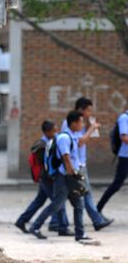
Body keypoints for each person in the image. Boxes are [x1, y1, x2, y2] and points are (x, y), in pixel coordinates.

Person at [29, 111, 91, 241]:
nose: (82, 124)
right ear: (73, 123)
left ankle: (80, 234)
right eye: (81, 122)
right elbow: (66, 158)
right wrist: (73, 174)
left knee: (79, 204)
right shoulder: (64, 137)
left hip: (70, 176)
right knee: (57, 204)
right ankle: (35, 226)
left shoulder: (72, 136)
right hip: (64, 177)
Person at [60, 97, 113, 231]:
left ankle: (58, 222)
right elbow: (79, 142)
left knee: (68, 194)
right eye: (88, 110)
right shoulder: (70, 123)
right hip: (74, 165)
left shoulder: (80, 123)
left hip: (80, 163)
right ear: (80, 110)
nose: (90, 113)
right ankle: (96, 220)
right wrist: (91, 129)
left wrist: (89, 127)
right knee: (82, 193)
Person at [15, 121, 72, 236]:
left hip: (45, 178)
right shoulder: (43, 146)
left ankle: (22, 221)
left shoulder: (49, 142)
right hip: (47, 179)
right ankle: (61, 227)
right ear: (46, 132)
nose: (56, 133)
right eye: (53, 131)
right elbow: (46, 165)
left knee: (39, 201)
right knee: (58, 202)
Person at [97, 110, 128, 213]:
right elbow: (124, 137)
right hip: (125, 157)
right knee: (117, 185)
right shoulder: (124, 118)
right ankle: (98, 208)